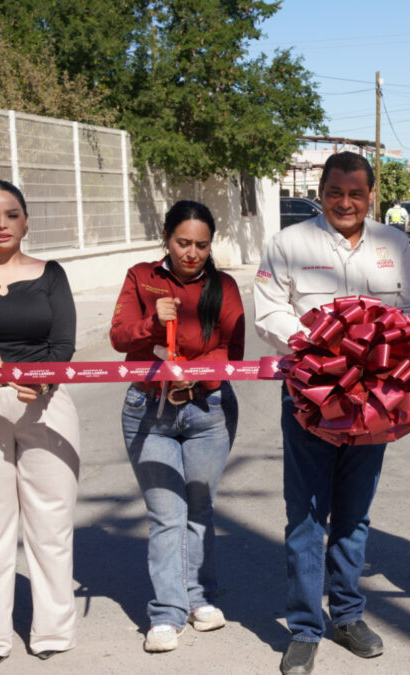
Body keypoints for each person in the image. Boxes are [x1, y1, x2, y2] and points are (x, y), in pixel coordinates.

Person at [254, 151, 410, 675]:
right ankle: (305, 628)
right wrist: (320, 349)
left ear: (371, 195)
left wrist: (388, 358)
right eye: (334, 192)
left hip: (375, 404)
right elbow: (268, 309)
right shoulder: (289, 243)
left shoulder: (392, 243)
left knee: (353, 513)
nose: (344, 202)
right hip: (310, 398)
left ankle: (347, 614)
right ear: (320, 191)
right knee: (306, 514)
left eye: (355, 193)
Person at [109, 200, 245, 653]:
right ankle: (166, 613)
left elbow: (234, 353)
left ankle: (199, 597)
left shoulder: (223, 286)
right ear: (166, 238)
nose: (192, 253)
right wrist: (153, 322)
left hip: (208, 411)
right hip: (148, 411)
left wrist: (197, 371)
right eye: (183, 243)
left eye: (201, 245)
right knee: (167, 514)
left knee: (200, 507)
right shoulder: (141, 276)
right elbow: (119, 335)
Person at [0, 180, 80, 665]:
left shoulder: (51, 275)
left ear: (26, 221)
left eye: (11, 214)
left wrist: (41, 381)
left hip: (47, 405)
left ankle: (53, 632)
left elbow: (63, 345)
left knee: (50, 525)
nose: (1, 224)